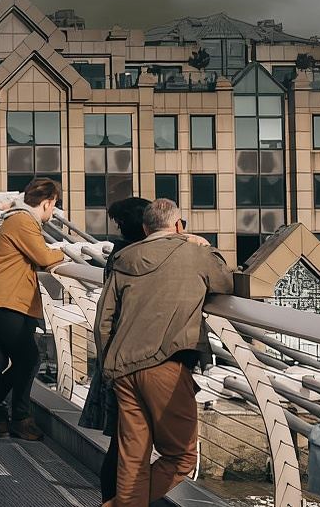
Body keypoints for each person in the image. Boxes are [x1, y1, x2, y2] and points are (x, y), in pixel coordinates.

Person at [96, 198, 233, 507]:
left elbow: (103, 320)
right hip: (166, 365)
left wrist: (107, 363)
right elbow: (225, 282)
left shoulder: (124, 258)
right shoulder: (195, 254)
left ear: (145, 228)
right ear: (178, 225)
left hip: (122, 368)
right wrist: (203, 245)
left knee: (132, 459)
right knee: (181, 456)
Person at [0, 178, 66, 439]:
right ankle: (18, 418)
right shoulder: (24, 221)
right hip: (8, 301)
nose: (53, 211)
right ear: (48, 203)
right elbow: (44, 258)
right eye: (54, 205)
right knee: (29, 359)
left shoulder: (14, 219)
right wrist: (66, 251)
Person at [78, 197, 151, 504]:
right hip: (139, 356)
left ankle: (111, 498)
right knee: (133, 442)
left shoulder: (118, 254)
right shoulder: (142, 257)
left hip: (116, 354)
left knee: (122, 441)